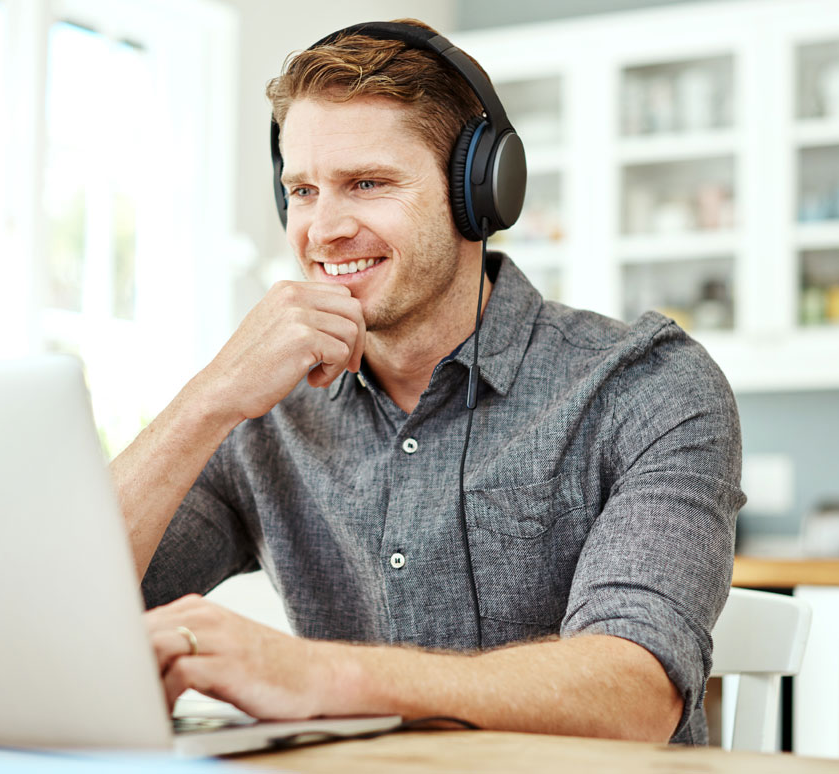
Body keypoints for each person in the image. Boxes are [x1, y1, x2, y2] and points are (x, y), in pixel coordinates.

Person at [111, 19, 744, 745]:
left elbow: (635, 697)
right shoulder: (264, 414)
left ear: (480, 191)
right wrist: (210, 396)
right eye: (304, 191)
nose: (323, 229)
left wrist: (316, 677)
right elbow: (66, 605)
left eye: (368, 184)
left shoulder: (646, 387)